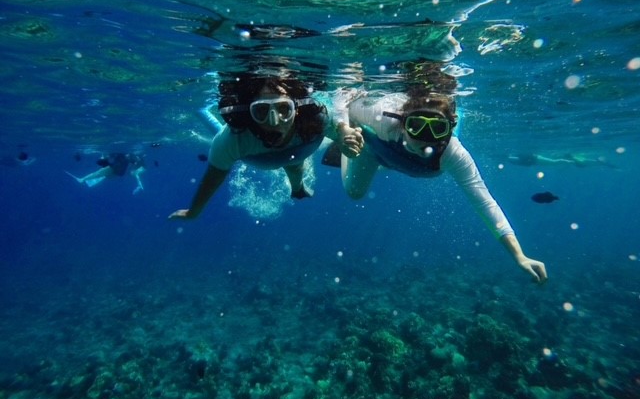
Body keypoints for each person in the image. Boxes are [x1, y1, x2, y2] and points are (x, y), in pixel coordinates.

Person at [335, 62, 547, 284]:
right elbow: (345, 102)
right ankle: (332, 147)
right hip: (373, 151)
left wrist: (519, 255)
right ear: (403, 122)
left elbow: (485, 202)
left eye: (437, 129)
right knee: (355, 192)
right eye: (417, 126)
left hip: (394, 158)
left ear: (448, 131)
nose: (425, 137)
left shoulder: (453, 153)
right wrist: (343, 132)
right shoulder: (382, 119)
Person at [169, 72, 364, 220]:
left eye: (283, 109)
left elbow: (342, 129)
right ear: (249, 112)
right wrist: (194, 211)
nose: (274, 121)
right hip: (260, 155)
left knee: (295, 164)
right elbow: (213, 178)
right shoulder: (233, 139)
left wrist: (345, 140)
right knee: (218, 133)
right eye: (261, 110)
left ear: (297, 109)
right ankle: (201, 110)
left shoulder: (315, 119)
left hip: (296, 154)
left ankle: (297, 190)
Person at [66, 152, 146, 194]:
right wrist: (139, 184)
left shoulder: (124, 156)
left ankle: (82, 179)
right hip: (119, 173)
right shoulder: (134, 161)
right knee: (104, 175)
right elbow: (134, 173)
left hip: (114, 169)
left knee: (98, 173)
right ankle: (99, 177)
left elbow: (106, 160)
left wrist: (103, 158)